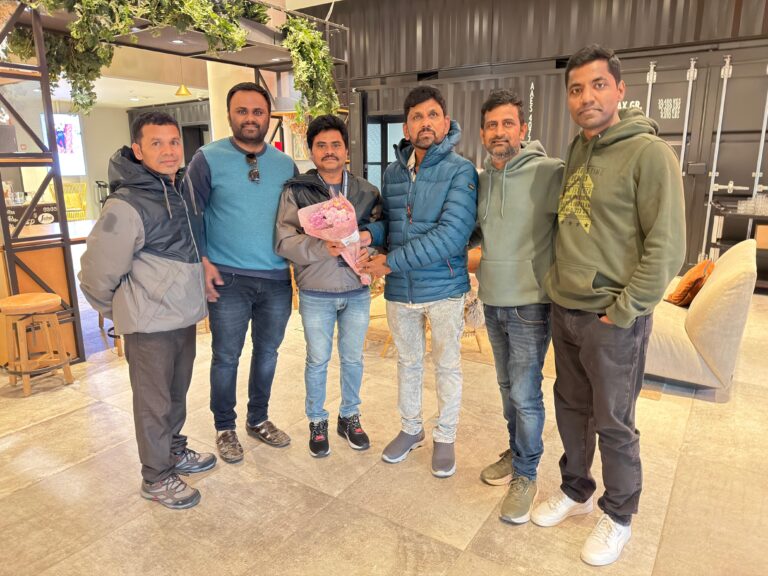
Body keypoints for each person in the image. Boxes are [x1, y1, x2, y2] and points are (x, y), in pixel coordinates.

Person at [532, 45, 686, 566]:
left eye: (598, 85)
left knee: (614, 421)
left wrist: (624, 309)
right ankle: (576, 490)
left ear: (620, 89)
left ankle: (619, 516)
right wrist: (555, 283)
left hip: (613, 319)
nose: (586, 97)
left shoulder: (649, 154)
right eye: (576, 89)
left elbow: (667, 246)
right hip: (567, 309)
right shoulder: (577, 148)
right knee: (572, 409)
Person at [79, 112, 214, 509]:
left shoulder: (177, 189)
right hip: (149, 326)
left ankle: (173, 451)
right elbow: (96, 271)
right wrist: (121, 310)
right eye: (156, 143)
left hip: (181, 316)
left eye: (173, 142)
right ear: (137, 150)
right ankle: (155, 477)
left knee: (175, 394)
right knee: (153, 404)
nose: (169, 151)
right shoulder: (126, 203)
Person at [358, 85, 478, 478]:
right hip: (401, 292)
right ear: (406, 128)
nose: (425, 123)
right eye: (416, 117)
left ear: (446, 122)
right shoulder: (393, 172)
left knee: (447, 366)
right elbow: (392, 225)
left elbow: (451, 236)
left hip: (444, 289)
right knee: (408, 364)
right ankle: (412, 429)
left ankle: (445, 435)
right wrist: (369, 235)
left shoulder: (461, 171)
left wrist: (390, 262)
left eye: (432, 115)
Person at [184, 82, 298, 463]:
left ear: (268, 116)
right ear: (230, 115)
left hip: (276, 279)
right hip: (227, 279)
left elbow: (296, 219)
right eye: (242, 111)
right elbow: (191, 214)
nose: (251, 118)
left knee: (267, 353)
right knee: (226, 356)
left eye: (258, 111)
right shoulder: (207, 159)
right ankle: (225, 427)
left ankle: (258, 419)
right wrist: (201, 260)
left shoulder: (285, 165)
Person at [472, 90, 563, 523]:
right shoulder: (481, 180)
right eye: (492, 125)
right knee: (507, 389)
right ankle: (516, 451)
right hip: (492, 300)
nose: (500, 132)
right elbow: (476, 233)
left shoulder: (550, 172)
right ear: (482, 133)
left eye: (508, 123)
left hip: (531, 304)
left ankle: (527, 473)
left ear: (522, 129)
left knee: (526, 395)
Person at [275, 114, 381, 457]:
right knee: (317, 360)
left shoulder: (366, 191)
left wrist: (370, 250)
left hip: (356, 290)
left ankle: (349, 416)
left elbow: (382, 233)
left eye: (336, 144)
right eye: (321, 145)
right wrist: (321, 247)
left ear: (346, 150)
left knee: (353, 359)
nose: (329, 151)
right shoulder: (297, 191)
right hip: (316, 290)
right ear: (311, 151)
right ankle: (317, 420)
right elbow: (283, 241)